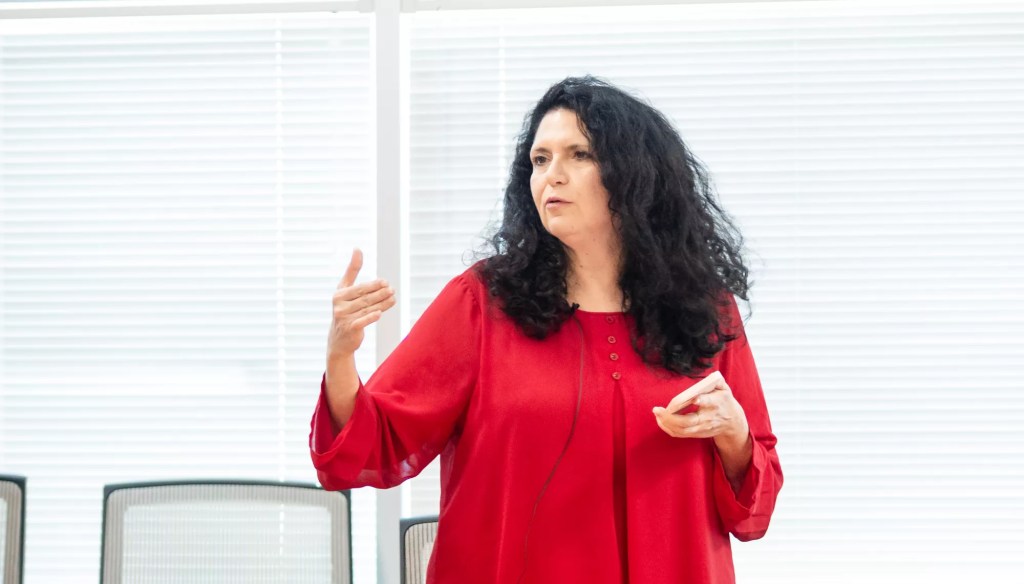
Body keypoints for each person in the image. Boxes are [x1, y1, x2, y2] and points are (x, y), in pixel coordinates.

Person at [310, 75, 783, 583]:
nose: (551, 176)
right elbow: (368, 449)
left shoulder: (706, 309)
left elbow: (753, 510)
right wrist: (341, 358)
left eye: (579, 155)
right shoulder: (482, 302)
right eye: (540, 159)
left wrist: (733, 434)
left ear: (635, 174)